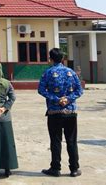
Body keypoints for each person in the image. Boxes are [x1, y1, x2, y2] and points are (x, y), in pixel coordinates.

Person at [38, 48, 83, 177]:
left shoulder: (47, 73)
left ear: (50, 59)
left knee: (55, 140)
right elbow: (79, 90)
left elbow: (41, 90)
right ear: (63, 59)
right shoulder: (71, 72)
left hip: (54, 112)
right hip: (70, 112)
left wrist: (57, 100)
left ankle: (55, 168)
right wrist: (67, 99)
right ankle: (74, 169)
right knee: (72, 141)